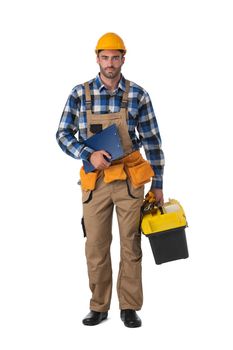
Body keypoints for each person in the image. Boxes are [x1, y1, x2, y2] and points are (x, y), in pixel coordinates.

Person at [56, 32, 165, 328]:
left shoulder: (138, 95)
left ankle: (129, 306)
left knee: (131, 244)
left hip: (130, 180)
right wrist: (86, 153)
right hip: (96, 183)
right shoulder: (80, 94)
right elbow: (63, 135)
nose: (110, 63)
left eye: (115, 57)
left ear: (123, 59)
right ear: (97, 59)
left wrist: (158, 186)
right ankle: (99, 306)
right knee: (96, 245)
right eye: (105, 57)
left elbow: (152, 141)